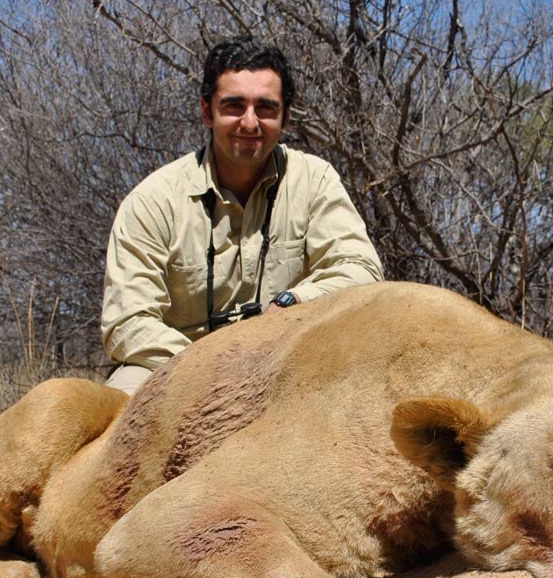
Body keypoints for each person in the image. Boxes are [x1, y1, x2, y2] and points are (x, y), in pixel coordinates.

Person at [101, 37, 383, 394]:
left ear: (285, 116)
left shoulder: (315, 180)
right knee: (119, 407)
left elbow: (362, 270)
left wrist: (294, 303)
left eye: (265, 108)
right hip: (176, 370)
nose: (250, 123)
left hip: (290, 362)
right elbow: (127, 323)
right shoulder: (153, 201)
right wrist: (210, 367)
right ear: (207, 111)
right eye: (234, 106)